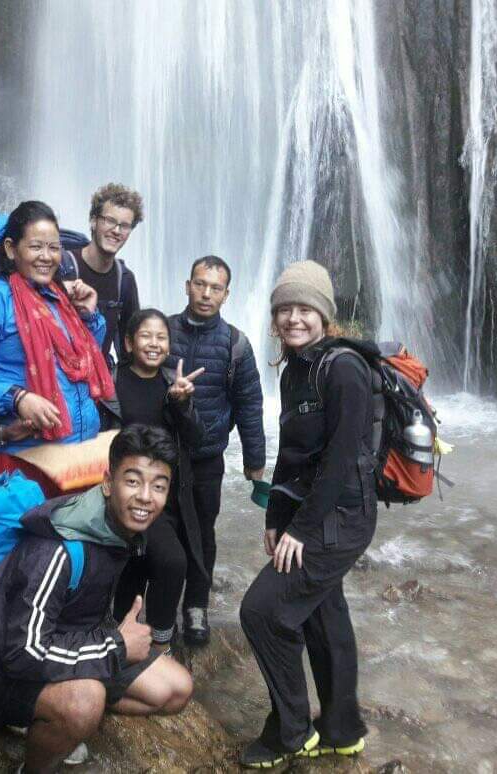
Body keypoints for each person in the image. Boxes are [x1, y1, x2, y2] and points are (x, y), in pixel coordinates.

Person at [0, 425, 194, 774]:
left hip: (70, 642)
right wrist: (116, 647)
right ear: (108, 482)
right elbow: (22, 653)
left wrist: (110, 649)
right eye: (133, 481)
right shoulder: (59, 549)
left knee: (176, 689)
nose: (145, 497)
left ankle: (61, 715)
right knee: (84, 702)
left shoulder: (121, 529)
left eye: (158, 486)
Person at [238, 260, 377, 768]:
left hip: (340, 518)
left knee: (261, 611)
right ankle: (342, 729)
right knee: (322, 612)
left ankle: (291, 732)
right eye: (284, 310)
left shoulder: (344, 369)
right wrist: (274, 517)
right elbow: (292, 452)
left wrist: (301, 530)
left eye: (304, 309)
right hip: (310, 512)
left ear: (324, 315)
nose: (293, 318)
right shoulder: (297, 368)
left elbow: (341, 460)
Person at [0, 200, 115, 493]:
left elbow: (81, 365)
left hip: (76, 454)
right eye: (36, 247)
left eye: (54, 247)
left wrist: (89, 316)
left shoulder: (59, 297)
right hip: (18, 460)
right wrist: (17, 398)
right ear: (10, 248)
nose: (46, 256)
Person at [167, 255, 265, 645]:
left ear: (226, 294)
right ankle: (156, 604)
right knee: (158, 530)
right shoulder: (162, 331)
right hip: (161, 456)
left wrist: (255, 461)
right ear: (187, 286)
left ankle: (196, 606)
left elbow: (249, 404)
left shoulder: (235, 344)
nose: (206, 294)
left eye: (215, 287)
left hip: (206, 457)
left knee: (202, 533)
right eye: (200, 284)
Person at [110, 309, 206, 648]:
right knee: (132, 571)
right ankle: (122, 642)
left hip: (163, 497)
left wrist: (182, 403)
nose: (154, 343)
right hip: (121, 494)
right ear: (129, 343)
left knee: (170, 561)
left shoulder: (173, 383)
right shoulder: (110, 381)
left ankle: (161, 642)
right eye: (146, 336)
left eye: (161, 337)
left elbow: (196, 439)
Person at [62, 183, 143, 365]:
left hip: (99, 376)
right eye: (109, 221)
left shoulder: (125, 280)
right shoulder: (63, 266)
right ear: (93, 221)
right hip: (60, 375)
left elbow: (129, 345)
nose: (116, 231)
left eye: (124, 226)